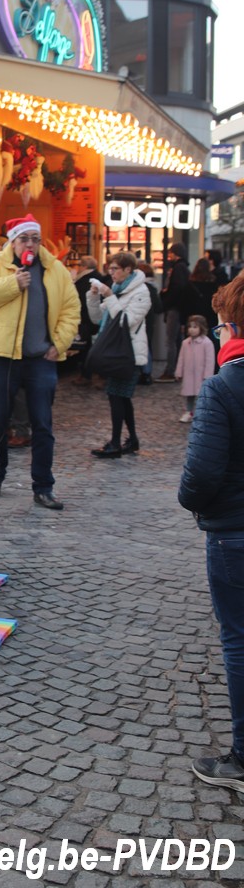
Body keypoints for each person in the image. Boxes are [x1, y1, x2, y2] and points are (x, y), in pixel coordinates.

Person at [0, 213, 80, 510]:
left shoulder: (55, 270)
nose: (30, 244)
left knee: (43, 423)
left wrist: (59, 343)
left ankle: (43, 486)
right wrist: (12, 284)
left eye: (35, 239)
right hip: (2, 357)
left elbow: (70, 309)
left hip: (41, 358)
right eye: (24, 239)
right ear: (12, 241)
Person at [179, 276, 244, 792]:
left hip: (234, 536)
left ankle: (242, 759)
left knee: (240, 641)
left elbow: (199, 477)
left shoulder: (224, 386)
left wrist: (194, 504)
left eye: (223, 323)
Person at [86, 250, 151, 458]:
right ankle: (132, 439)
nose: (111, 273)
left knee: (116, 396)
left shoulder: (141, 292)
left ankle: (115, 443)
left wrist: (110, 296)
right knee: (121, 397)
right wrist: (93, 297)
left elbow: (124, 321)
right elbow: (97, 319)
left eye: (115, 269)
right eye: (109, 268)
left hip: (129, 354)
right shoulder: (119, 290)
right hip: (116, 352)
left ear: (127, 270)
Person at [156, 242, 190, 381]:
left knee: (171, 340)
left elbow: (176, 289)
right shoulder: (183, 268)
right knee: (175, 340)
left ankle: (171, 370)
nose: (169, 256)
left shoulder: (178, 268)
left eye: (170, 253)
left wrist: (165, 297)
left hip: (174, 309)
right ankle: (177, 369)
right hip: (177, 308)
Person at [71, 255, 107, 386]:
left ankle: (87, 374)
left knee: (86, 348)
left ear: (84, 267)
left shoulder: (85, 280)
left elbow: (82, 301)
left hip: (87, 319)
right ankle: (93, 374)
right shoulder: (99, 277)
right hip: (94, 318)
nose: (77, 268)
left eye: (79, 265)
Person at [175, 314, 215, 422]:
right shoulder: (185, 343)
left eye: (195, 327)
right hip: (189, 374)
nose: (192, 330)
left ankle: (202, 413)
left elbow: (210, 361)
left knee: (201, 395)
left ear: (201, 328)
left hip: (201, 375)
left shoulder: (207, 343)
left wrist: (207, 376)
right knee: (189, 395)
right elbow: (181, 358)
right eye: (190, 327)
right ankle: (189, 412)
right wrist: (179, 372)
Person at [137, 261, 162, 385]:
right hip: (148, 321)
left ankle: (141, 372)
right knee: (146, 346)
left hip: (139, 321)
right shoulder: (152, 288)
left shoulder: (137, 287)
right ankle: (146, 373)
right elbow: (158, 307)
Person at [186, 257, 218, 337]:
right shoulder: (213, 283)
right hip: (209, 316)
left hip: (193, 314)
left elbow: (186, 302)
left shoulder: (190, 284)